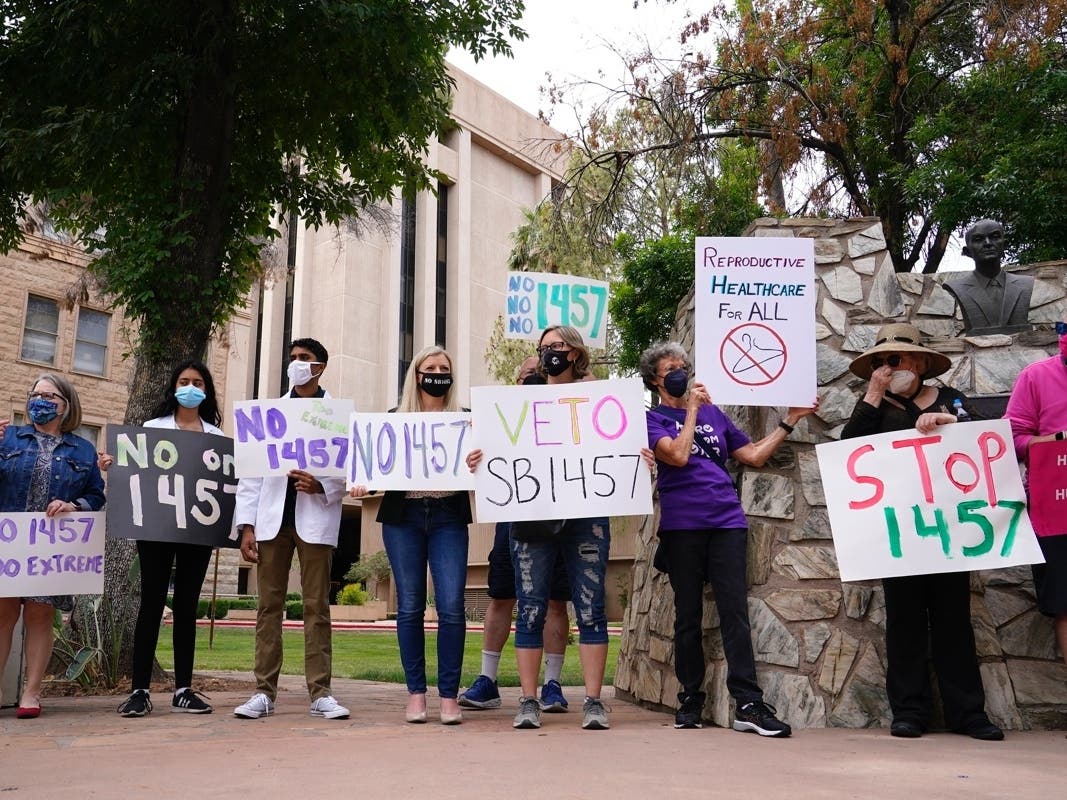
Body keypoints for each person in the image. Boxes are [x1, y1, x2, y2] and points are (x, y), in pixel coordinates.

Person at [467, 325, 654, 731]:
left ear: (576, 352)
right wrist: (478, 457)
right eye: (545, 347)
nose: (551, 352)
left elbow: (619, 447)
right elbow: (494, 448)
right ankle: (529, 700)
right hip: (532, 520)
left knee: (591, 611)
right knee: (530, 609)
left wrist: (639, 461)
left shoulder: (597, 400)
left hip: (587, 519)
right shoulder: (517, 405)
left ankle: (592, 702)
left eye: (559, 346)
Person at [640, 342, 815, 735]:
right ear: (655, 378)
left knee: (735, 613)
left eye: (684, 365)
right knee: (688, 616)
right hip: (683, 526)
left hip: (727, 522)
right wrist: (691, 412)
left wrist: (789, 421)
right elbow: (679, 456)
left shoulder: (715, 414)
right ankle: (690, 700)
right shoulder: (652, 420)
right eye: (672, 367)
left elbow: (752, 455)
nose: (681, 371)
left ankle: (749, 704)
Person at [842, 322, 1003, 740]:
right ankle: (910, 711)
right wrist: (873, 393)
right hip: (903, 536)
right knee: (904, 621)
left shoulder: (950, 398)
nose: (888, 367)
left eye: (895, 360)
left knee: (954, 620)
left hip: (950, 532)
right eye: (880, 362)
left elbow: (980, 435)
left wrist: (948, 420)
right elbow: (849, 451)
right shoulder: (874, 406)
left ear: (918, 362)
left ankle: (968, 713)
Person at [350, 345, 471, 724]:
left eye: (444, 367)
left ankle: (449, 696)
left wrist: (476, 461)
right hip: (404, 519)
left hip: (449, 517)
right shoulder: (392, 420)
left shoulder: (467, 420)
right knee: (409, 607)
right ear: (416, 376)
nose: (437, 373)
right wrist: (361, 482)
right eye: (430, 367)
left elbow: (489, 467)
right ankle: (416, 693)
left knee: (451, 606)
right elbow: (371, 467)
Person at [233, 338, 349, 720]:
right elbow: (251, 474)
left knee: (317, 606)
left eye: (306, 359)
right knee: (269, 607)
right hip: (271, 520)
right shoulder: (268, 414)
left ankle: (321, 693)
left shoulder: (337, 415)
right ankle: (263, 692)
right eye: (294, 358)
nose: (297, 363)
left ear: (321, 367)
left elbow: (350, 470)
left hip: (314, 517)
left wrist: (323, 486)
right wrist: (245, 526)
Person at [110, 360, 225, 717]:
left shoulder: (217, 440)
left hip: (198, 529)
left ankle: (184, 689)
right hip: (157, 528)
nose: (190, 387)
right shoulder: (151, 430)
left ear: (206, 391)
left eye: (197, 382)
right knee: (151, 603)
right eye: (184, 381)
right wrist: (111, 466)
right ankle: (139, 690)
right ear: (173, 387)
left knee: (188, 605)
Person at [459, 354, 572, 714]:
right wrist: (473, 459)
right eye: (527, 375)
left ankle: (552, 684)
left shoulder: (568, 414)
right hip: (511, 517)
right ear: (516, 382)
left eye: (541, 374)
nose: (534, 379)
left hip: (559, 516)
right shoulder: (498, 418)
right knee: (502, 595)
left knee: (555, 599)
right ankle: (487, 680)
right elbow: (473, 456)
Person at [0, 374, 105, 718]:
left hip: (50, 549)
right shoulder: (7, 437)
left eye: (49, 395)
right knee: (2, 615)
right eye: (35, 394)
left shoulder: (84, 450)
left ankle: (31, 693)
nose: (39, 400)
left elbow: (95, 495)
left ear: (66, 405)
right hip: (10, 544)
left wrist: (74, 506)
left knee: (40, 615)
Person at [1004, 320, 1067, 668]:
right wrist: (1054, 442)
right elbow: (1011, 439)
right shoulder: (1035, 377)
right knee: (1065, 606)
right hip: (1057, 509)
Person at [945, 219, 1033, 335]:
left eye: (995, 237)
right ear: (967, 252)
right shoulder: (957, 287)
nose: (987, 243)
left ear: (1004, 245)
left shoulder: (1026, 284)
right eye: (978, 239)